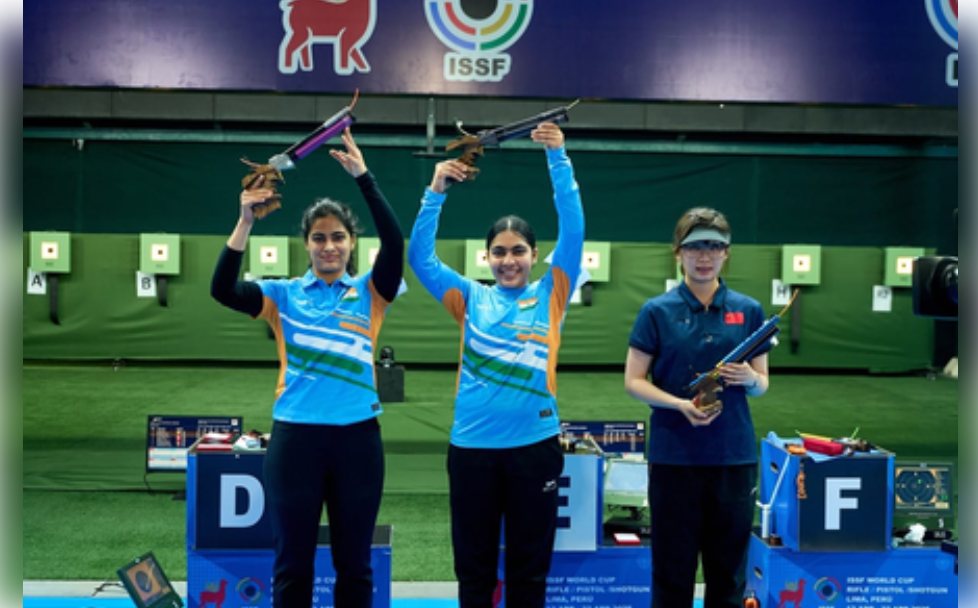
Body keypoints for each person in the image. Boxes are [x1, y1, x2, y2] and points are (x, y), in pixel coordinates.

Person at [210, 128, 403, 608]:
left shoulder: (372, 293)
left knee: (354, 567)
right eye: (319, 238)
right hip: (295, 441)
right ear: (306, 244)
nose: (329, 246)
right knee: (292, 567)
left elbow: (395, 244)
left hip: (358, 441)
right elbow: (222, 290)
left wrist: (364, 178)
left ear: (352, 242)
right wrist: (244, 222)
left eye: (338, 237)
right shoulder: (282, 294)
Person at [407, 122, 584, 608]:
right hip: (472, 452)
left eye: (518, 251)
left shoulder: (553, 292)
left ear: (535, 255)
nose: (509, 260)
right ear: (486, 256)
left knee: (530, 570)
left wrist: (558, 158)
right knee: (474, 570)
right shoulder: (469, 297)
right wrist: (435, 191)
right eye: (500, 252)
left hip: (535, 449)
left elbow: (573, 227)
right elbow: (419, 258)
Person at [623, 207, 770, 608]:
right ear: (678, 252)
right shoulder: (656, 311)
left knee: (728, 575)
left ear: (727, 252)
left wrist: (749, 378)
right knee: (672, 573)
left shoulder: (750, 310)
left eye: (714, 247)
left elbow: (762, 385)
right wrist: (679, 405)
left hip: (733, 458)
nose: (704, 256)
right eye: (694, 247)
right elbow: (634, 381)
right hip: (674, 459)